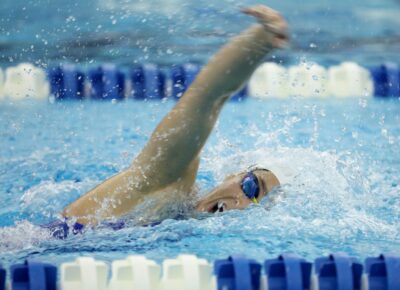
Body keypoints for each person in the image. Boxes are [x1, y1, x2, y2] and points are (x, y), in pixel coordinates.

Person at [60, 5, 288, 233]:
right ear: (231, 176)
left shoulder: (181, 227)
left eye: (255, 207)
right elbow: (207, 99)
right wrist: (260, 42)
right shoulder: (169, 186)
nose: (242, 203)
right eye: (250, 187)